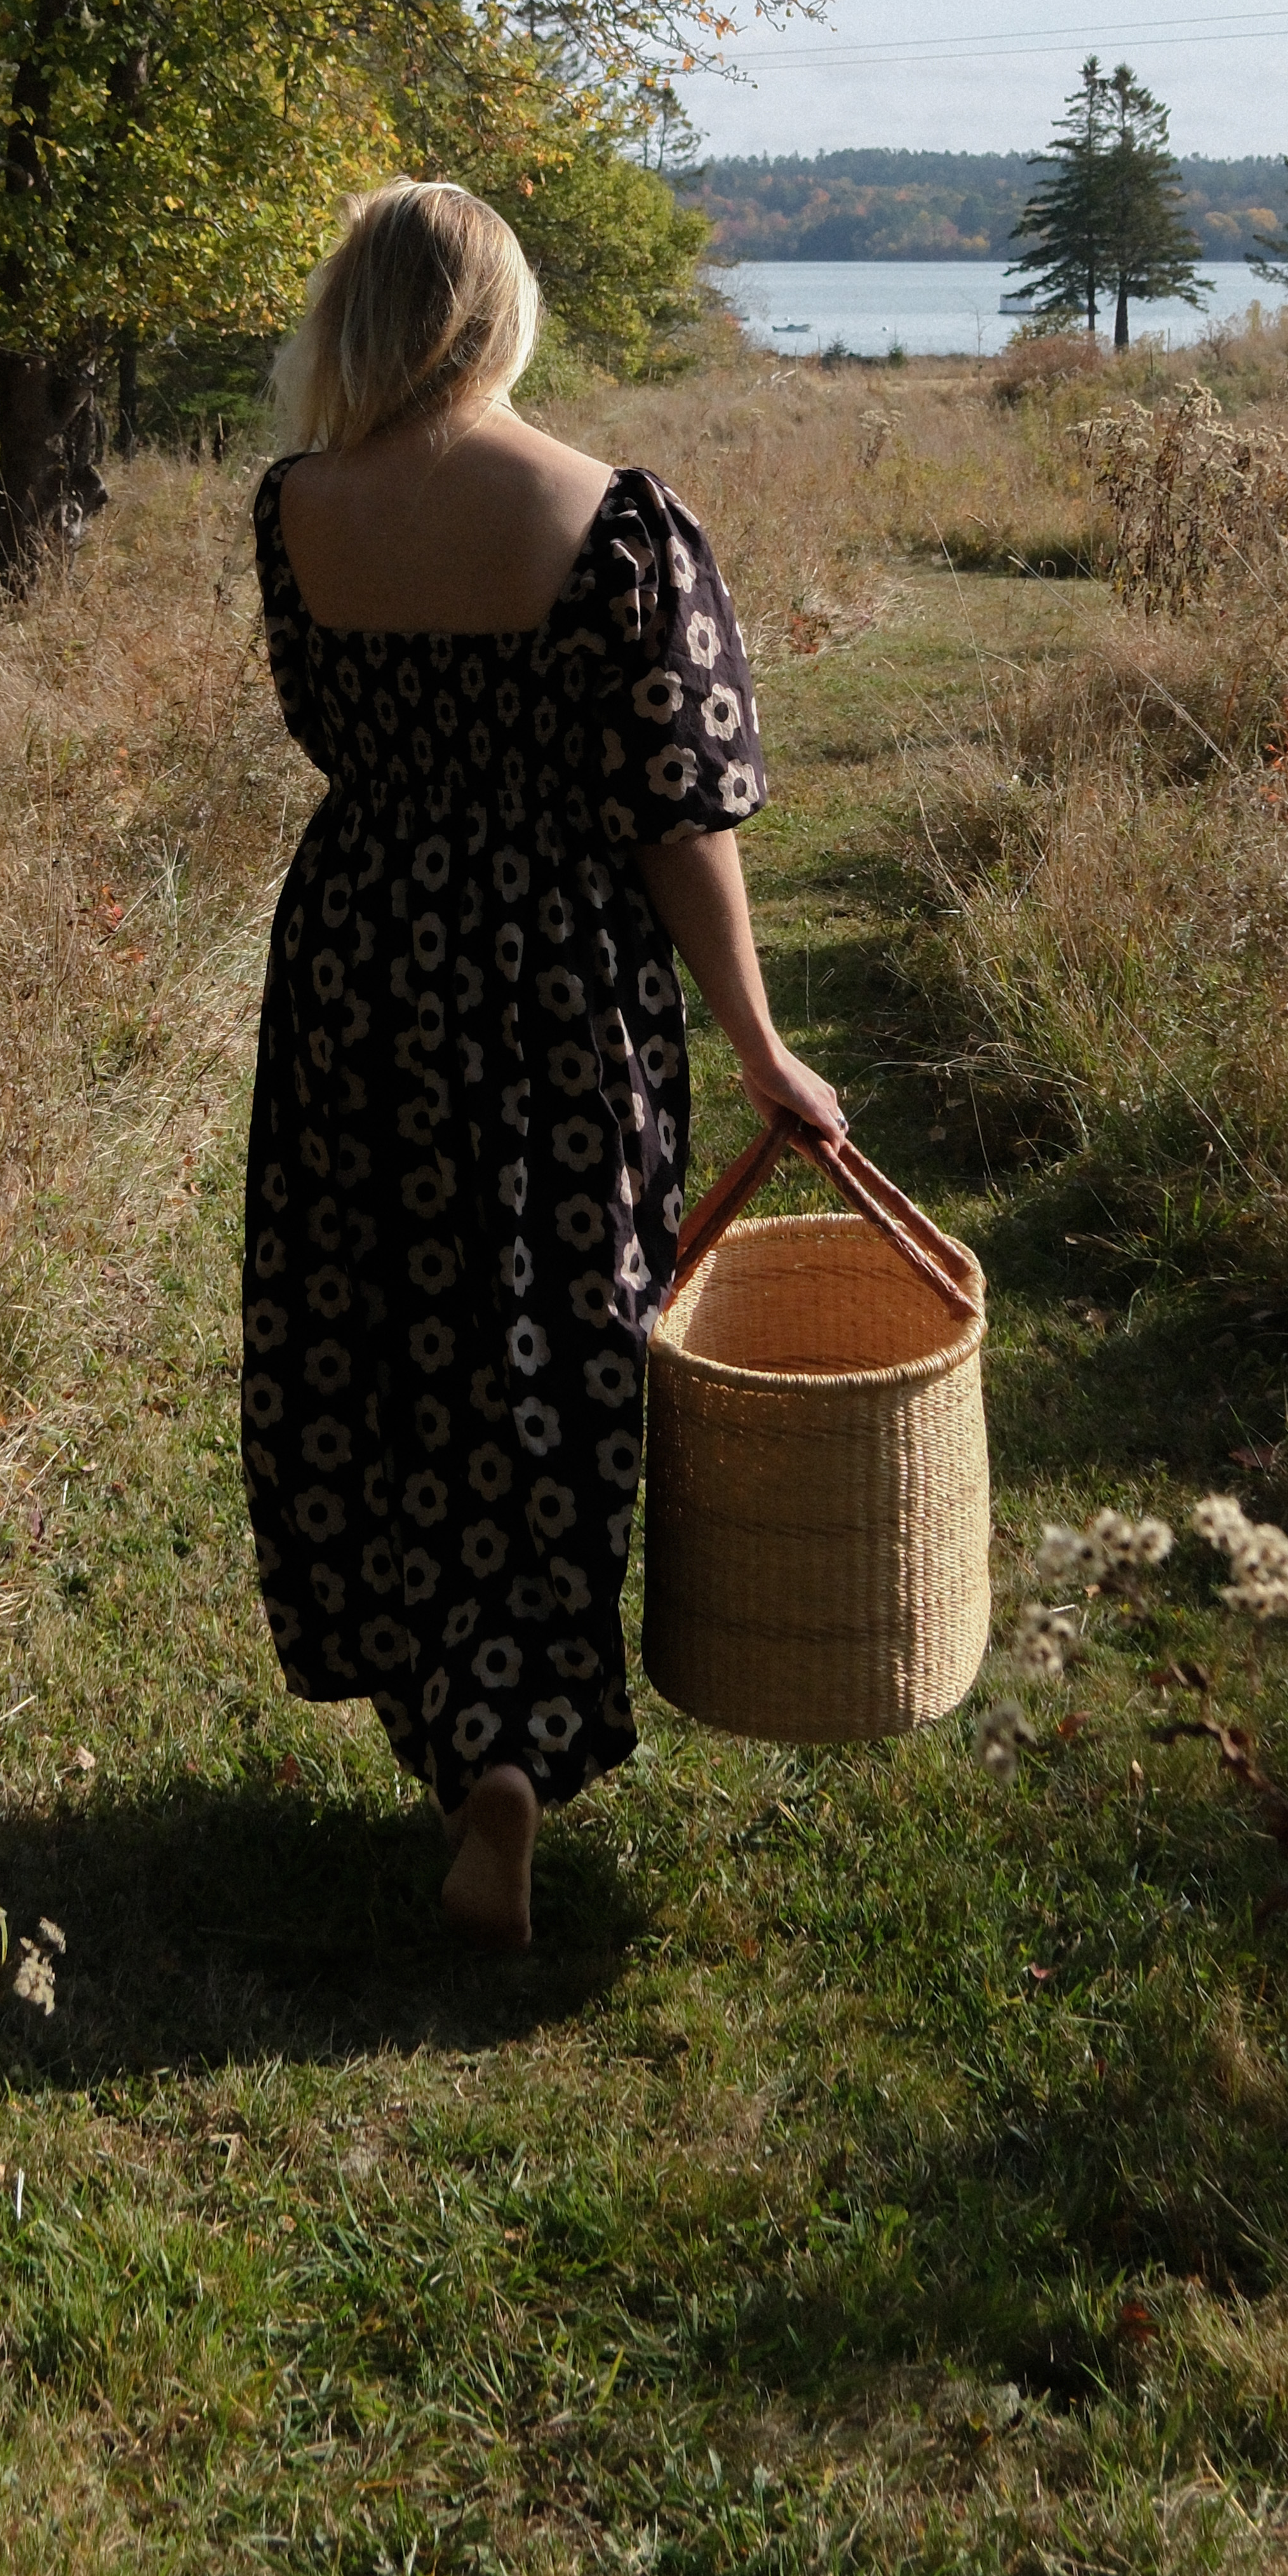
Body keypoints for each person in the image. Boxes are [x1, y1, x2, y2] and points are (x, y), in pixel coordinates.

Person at [238, 178, 842, 1950]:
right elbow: (680, 815)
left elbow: (326, 727)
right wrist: (761, 1045)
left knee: (380, 1321)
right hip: (553, 967)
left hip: (358, 954)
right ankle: (514, 1730)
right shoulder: (613, 519)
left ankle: (449, 1719)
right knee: (550, 1332)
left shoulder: (295, 510)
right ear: (498, 315)